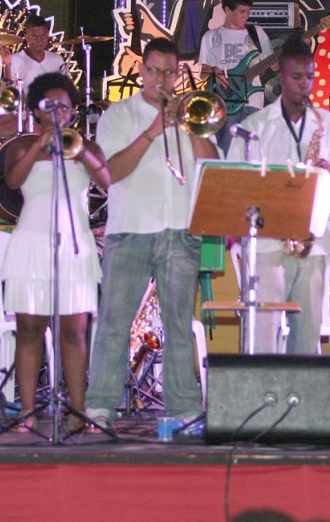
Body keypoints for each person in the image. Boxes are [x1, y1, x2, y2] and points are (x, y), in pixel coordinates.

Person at [85, 37, 220, 429]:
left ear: (178, 74)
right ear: (142, 71)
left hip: (180, 229)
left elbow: (211, 167)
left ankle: (184, 406)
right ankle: (100, 405)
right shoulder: (119, 115)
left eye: (169, 72)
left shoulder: (192, 112)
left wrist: (191, 130)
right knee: (114, 322)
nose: (161, 79)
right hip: (130, 230)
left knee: (178, 324)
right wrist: (152, 132)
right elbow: (111, 173)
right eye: (155, 71)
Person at [0, 73, 110, 432]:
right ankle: (27, 411)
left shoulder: (85, 147)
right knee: (30, 330)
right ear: (35, 110)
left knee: (74, 332)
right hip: (32, 243)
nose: (58, 112)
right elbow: (13, 181)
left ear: (73, 112)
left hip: (74, 245)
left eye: (64, 107)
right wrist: (40, 146)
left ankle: (78, 411)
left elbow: (109, 181)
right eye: (50, 106)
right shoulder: (21, 146)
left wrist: (79, 150)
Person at [227, 34, 330, 355]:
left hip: (313, 245)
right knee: (262, 339)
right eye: (296, 77)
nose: (304, 84)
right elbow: (234, 182)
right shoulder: (254, 125)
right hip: (267, 244)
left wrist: (328, 174)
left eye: (310, 77)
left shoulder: (329, 125)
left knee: (306, 341)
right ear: (280, 76)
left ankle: (301, 389)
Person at [199, 0, 272, 153]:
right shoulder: (211, 37)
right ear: (227, 9)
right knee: (228, 148)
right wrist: (213, 71)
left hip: (253, 100)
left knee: (252, 150)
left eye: (248, 11)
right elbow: (202, 74)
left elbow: (274, 65)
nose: (246, 16)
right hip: (226, 100)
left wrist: (293, 50)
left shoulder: (256, 33)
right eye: (242, 11)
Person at [6, 15, 65, 90]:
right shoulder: (16, 59)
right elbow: (9, 90)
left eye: (43, 36)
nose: (40, 41)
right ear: (26, 36)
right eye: (35, 37)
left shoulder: (57, 59)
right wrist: (7, 66)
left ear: (48, 35)